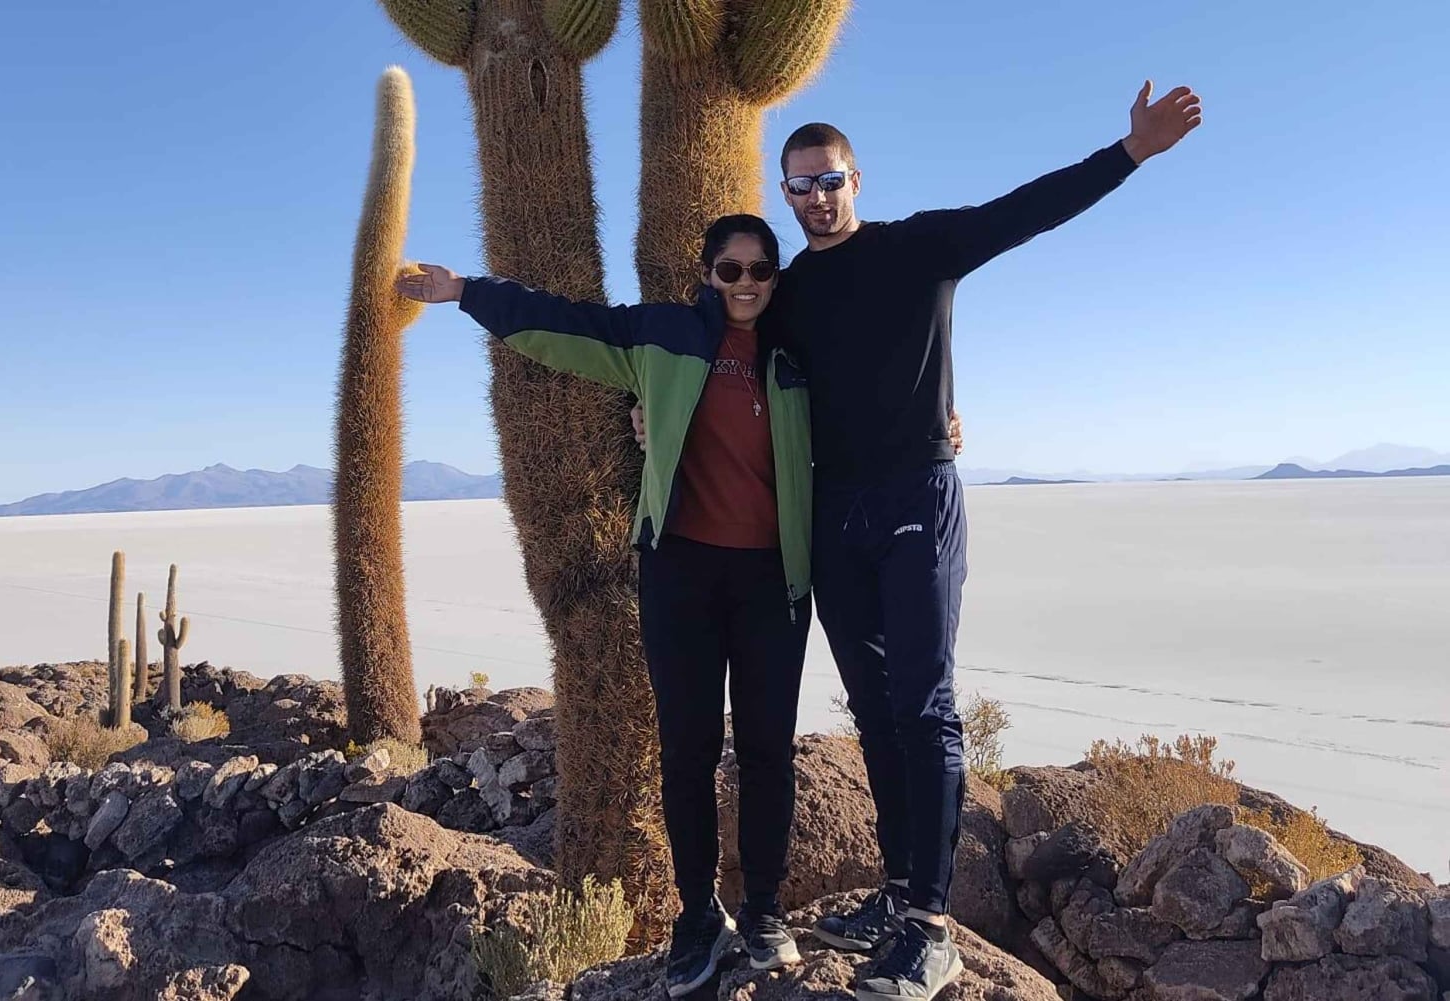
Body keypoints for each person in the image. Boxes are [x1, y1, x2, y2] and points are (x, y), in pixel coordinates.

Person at [635, 79, 1202, 1001]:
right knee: (872, 708)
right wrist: (649, 412)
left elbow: (1028, 211)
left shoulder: (919, 247)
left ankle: (930, 926)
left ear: (857, 179)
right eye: (799, 186)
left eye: (829, 180)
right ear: (785, 194)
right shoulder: (782, 293)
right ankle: (899, 893)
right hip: (829, 511)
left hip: (913, 499)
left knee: (926, 704)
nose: (816, 197)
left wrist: (1129, 152)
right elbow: (718, 348)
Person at [396, 215, 814, 998]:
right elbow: (566, 326)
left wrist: (940, 427)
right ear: (707, 272)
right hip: (681, 571)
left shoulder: (797, 351)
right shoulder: (661, 334)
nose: (747, 284)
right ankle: (698, 914)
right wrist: (465, 294)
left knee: (766, 750)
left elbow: (866, 404)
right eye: (730, 270)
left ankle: (763, 910)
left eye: (760, 270)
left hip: (772, 579)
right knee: (686, 751)